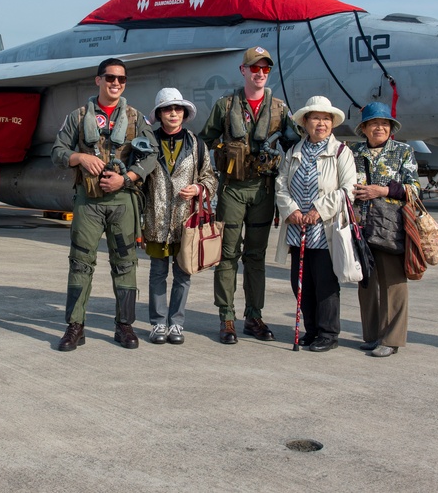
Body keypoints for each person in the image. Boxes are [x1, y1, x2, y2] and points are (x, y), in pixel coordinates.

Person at [51, 58, 157, 351]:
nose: (115, 84)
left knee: (125, 264)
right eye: (110, 78)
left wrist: (127, 179)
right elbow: (57, 150)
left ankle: (124, 326)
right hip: (88, 202)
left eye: (121, 79)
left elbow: (151, 157)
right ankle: (75, 326)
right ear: (98, 80)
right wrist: (80, 157)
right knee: (80, 262)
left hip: (122, 201)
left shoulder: (136, 119)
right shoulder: (78, 116)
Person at [199, 46, 292, 345]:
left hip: (263, 191)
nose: (260, 73)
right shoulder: (225, 106)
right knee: (227, 256)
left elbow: (294, 147)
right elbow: (205, 140)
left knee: (255, 257)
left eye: (265, 69)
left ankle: (254, 315)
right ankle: (226, 317)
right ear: (243, 71)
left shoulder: (280, 109)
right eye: (254, 68)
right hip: (232, 190)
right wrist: (213, 168)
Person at [274, 96, 356, 352]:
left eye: (326, 119)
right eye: (316, 118)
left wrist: (319, 211)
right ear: (306, 122)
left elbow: (348, 190)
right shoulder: (293, 152)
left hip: (325, 230)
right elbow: (281, 185)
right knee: (301, 284)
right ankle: (310, 330)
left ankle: (328, 333)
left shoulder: (341, 151)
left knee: (325, 283)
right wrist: (293, 210)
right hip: (298, 229)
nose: (321, 123)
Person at [141, 88, 218, 345]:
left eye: (177, 109)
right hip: (156, 219)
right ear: (160, 114)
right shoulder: (147, 142)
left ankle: (176, 323)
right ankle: (157, 323)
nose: (173, 113)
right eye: (167, 109)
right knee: (157, 272)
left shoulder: (197, 144)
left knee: (183, 274)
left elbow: (210, 177)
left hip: (187, 220)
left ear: (184, 113)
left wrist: (198, 188)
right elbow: (138, 182)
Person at [349, 102, 421, 358]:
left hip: (391, 226)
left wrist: (383, 190)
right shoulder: (353, 152)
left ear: (390, 128)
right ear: (364, 128)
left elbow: (414, 188)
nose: (379, 127)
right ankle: (372, 335)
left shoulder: (403, 151)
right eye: (374, 123)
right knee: (366, 282)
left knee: (393, 283)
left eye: (384, 123)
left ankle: (392, 338)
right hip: (361, 225)